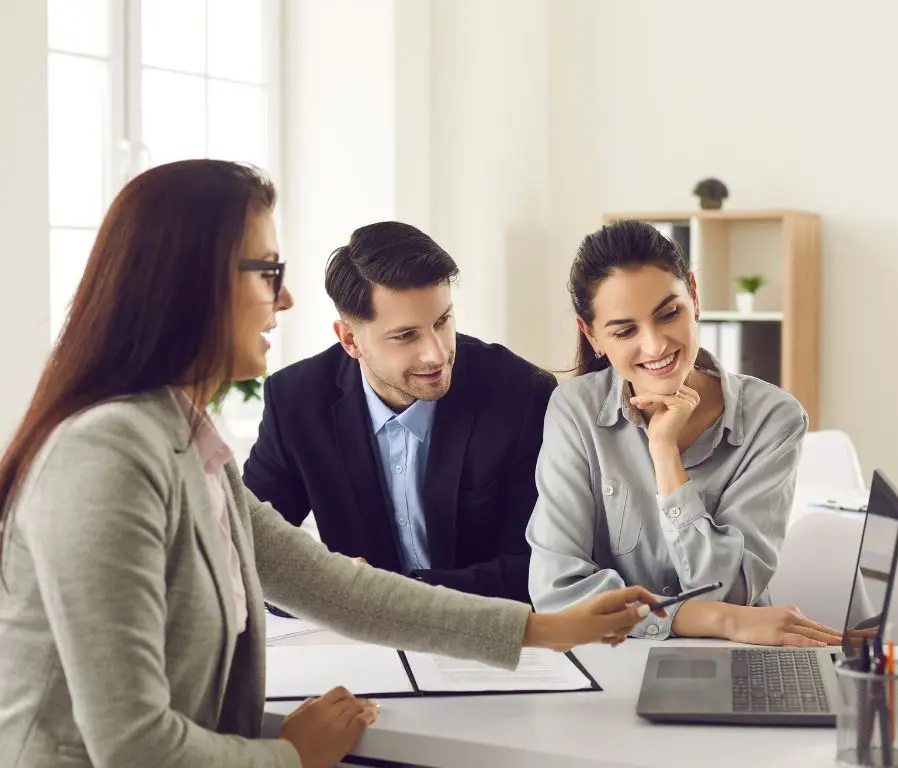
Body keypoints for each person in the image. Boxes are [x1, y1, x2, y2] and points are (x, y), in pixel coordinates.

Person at [0, 161, 661, 768]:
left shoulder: (185, 438)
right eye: (267, 274)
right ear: (192, 287)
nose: (285, 302)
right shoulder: (106, 456)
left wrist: (545, 629)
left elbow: (329, 586)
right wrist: (292, 754)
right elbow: (135, 748)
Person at [526, 218, 842, 647]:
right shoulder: (574, 410)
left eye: (669, 313)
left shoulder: (774, 418)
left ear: (693, 295)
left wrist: (664, 454)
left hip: (735, 657)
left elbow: (731, 592)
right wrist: (716, 619)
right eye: (625, 331)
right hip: (613, 662)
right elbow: (558, 594)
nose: (656, 346)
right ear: (592, 335)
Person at [242, 221, 555, 602]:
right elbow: (247, 553)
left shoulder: (520, 392)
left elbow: (540, 566)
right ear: (350, 340)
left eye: (443, 321)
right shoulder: (296, 401)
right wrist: (325, 583)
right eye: (406, 335)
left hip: (490, 635)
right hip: (360, 645)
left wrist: (388, 595)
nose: (437, 353)